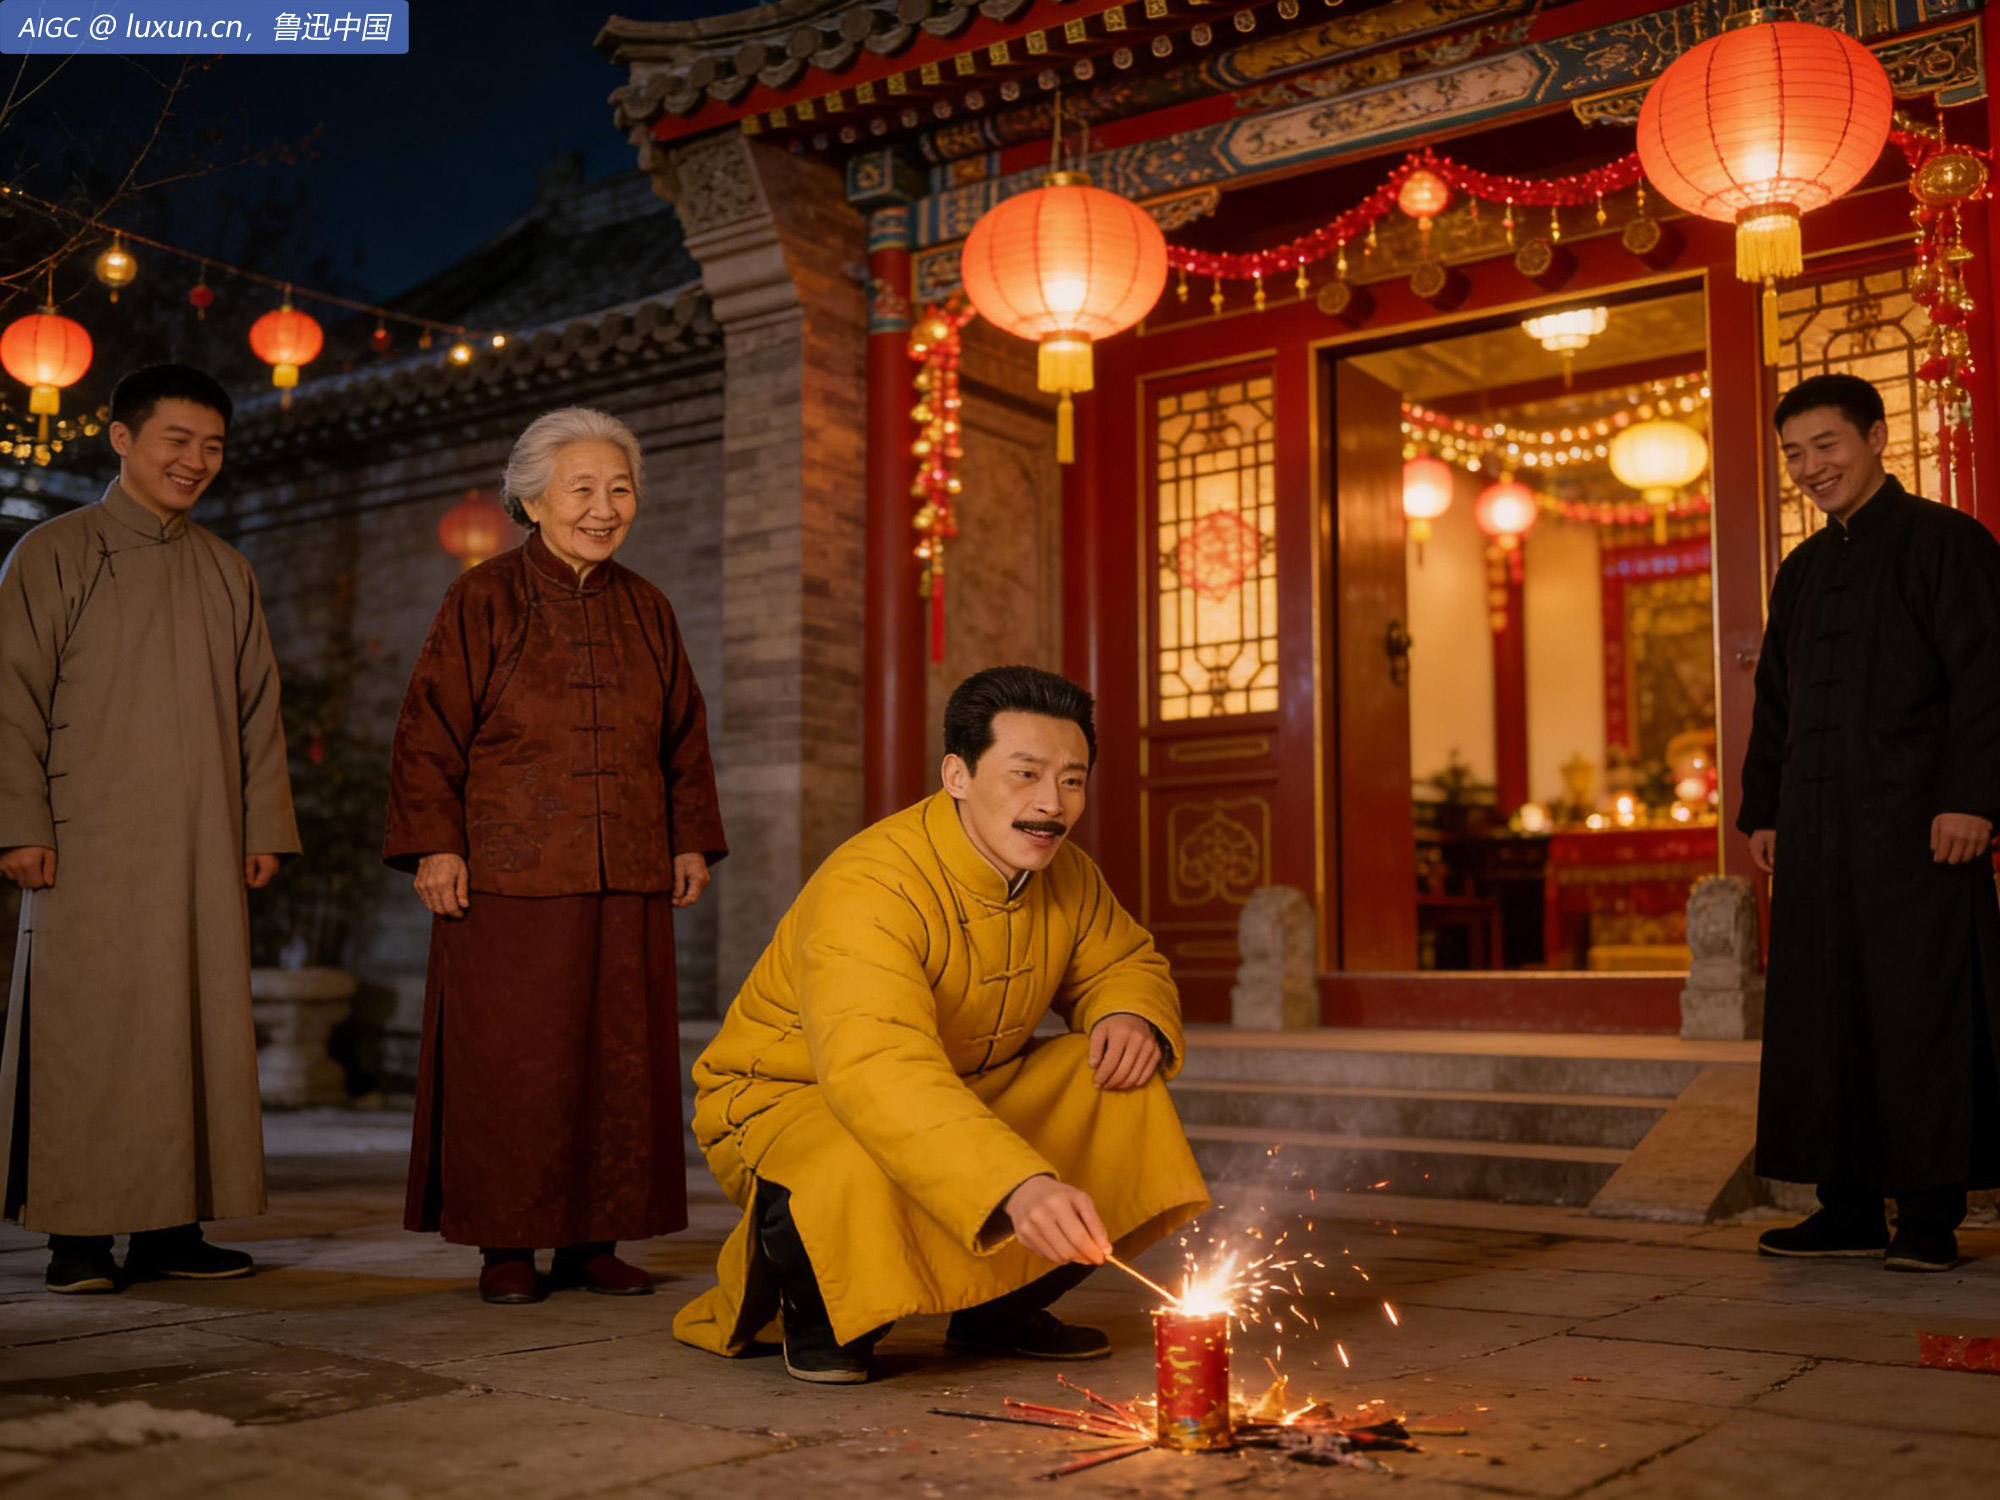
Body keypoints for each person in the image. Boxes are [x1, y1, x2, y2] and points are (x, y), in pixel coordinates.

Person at [675, 666, 1210, 1383]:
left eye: (1072, 780)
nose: (1051, 804)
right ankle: (824, 1312)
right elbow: (878, 1071)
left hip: (967, 1083)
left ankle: (1001, 1306)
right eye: (1025, 774)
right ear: (957, 774)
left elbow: (1123, 961)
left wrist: (1128, 1013)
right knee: (855, 1154)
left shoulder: (1070, 875)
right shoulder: (868, 883)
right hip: (796, 1098)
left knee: (1117, 1085)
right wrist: (1017, 1186)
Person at [385, 406, 725, 1305]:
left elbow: (684, 734)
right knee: (514, 1062)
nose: (604, 507)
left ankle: (593, 1244)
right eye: (583, 489)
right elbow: (427, 734)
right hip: (506, 875)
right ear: (531, 499)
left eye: (621, 489)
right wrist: (434, 846)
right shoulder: (481, 598)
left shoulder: (648, 606)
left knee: (619, 1059)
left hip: (628, 875)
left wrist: (689, 836)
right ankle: (507, 1246)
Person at [0, 364, 299, 1293]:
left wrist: (262, 825)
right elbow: (10, 695)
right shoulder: (53, 552)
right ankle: (78, 1240)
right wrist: (20, 820)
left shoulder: (225, 569)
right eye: (177, 439)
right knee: (89, 1033)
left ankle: (173, 1229)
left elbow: (258, 712)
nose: (196, 461)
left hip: (205, 841)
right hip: (84, 838)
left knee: (193, 1029)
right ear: (123, 439)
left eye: (212, 446)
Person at [1740, 372, 2000, 1272]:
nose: (1811, 467)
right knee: (1825, 1011)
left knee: (1919, 1013)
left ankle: (1930, 1216)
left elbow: (1986, 680)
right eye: (1795, 455)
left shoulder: (1946, 543)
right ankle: (1844, 1205)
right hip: (1816, 834)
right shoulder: (1802, 569)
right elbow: (1776, 701)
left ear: (1878, 437)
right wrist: (1763, 809)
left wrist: (1973, 797)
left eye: (1826, 445)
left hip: (1921, 831)